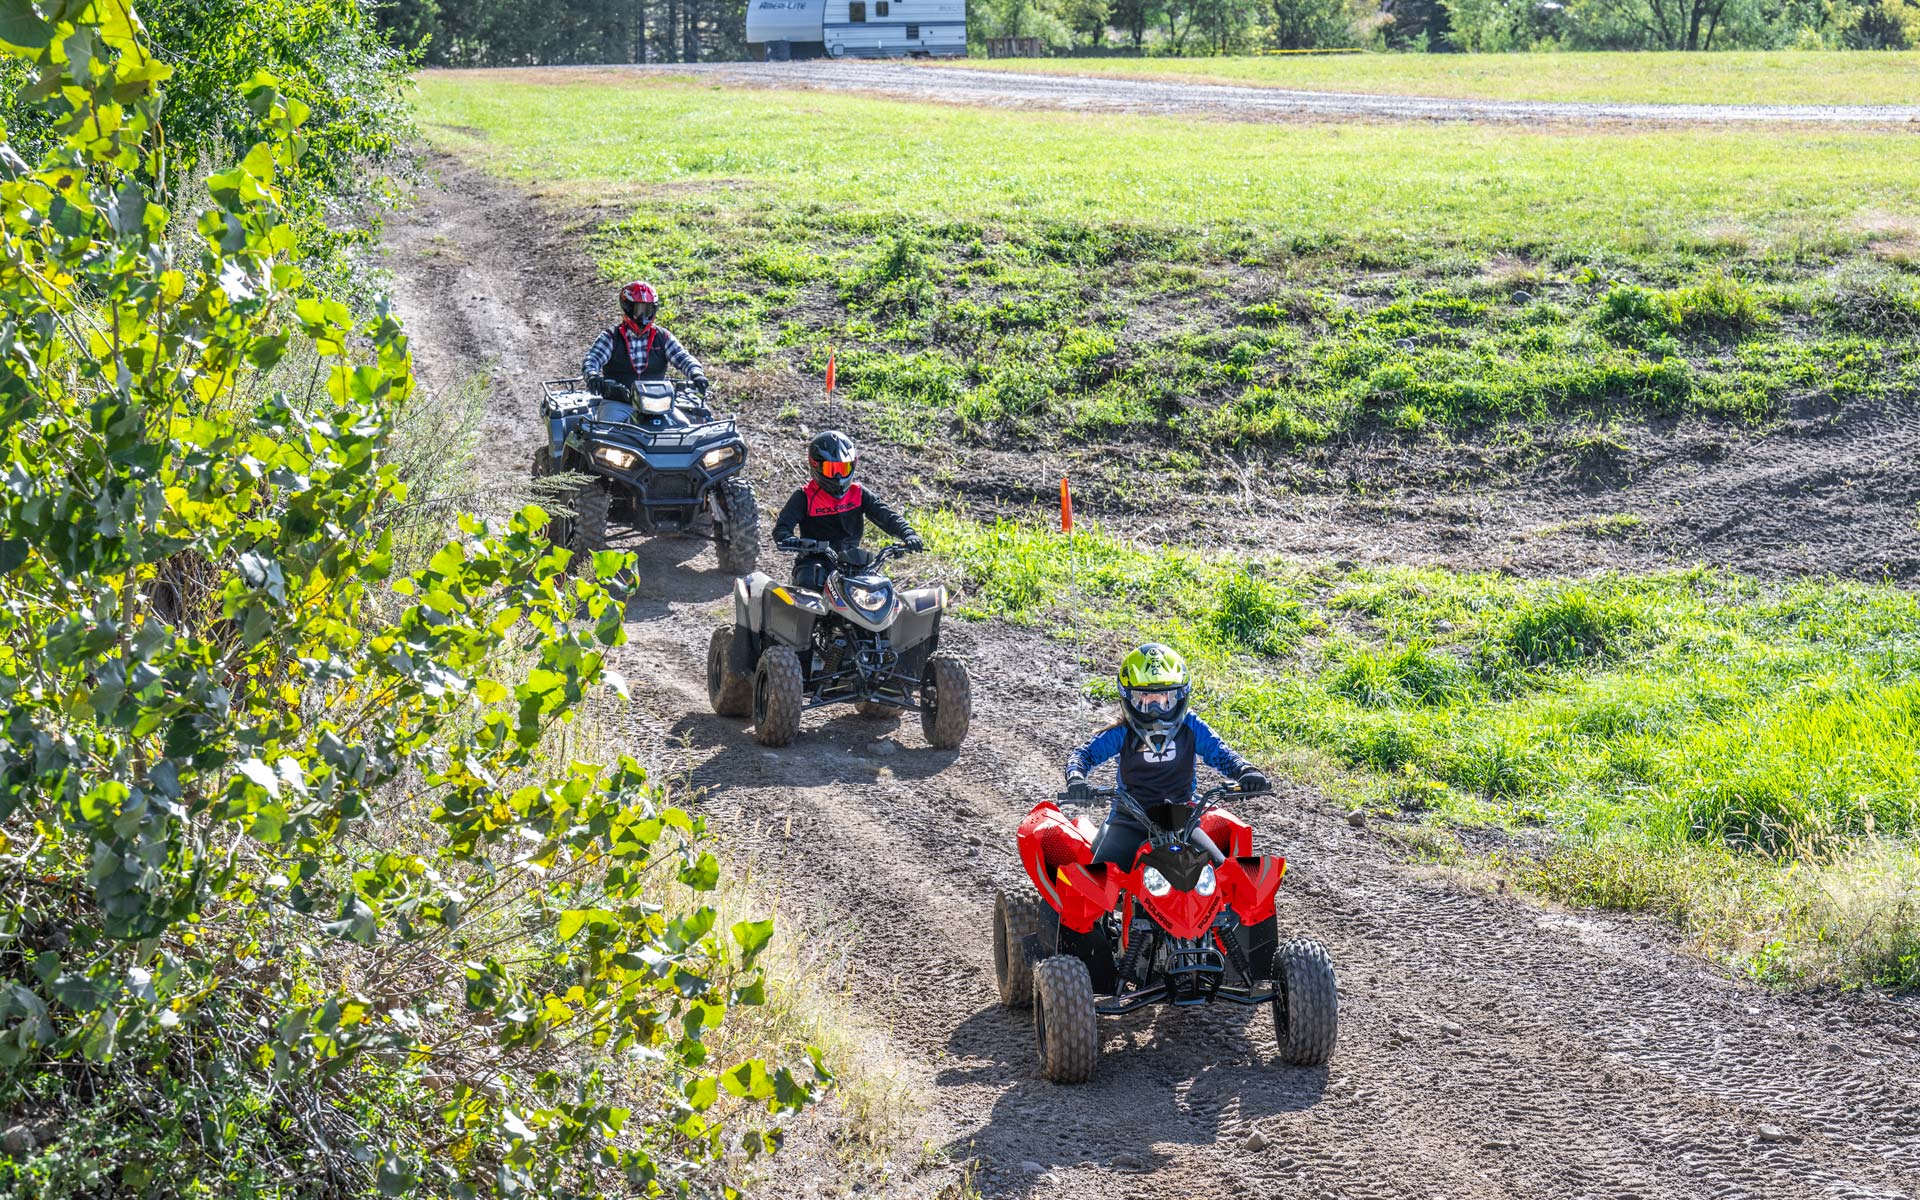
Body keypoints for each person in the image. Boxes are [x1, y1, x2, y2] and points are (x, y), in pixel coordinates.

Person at [1064, 643, 1269, 866]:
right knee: (1097, 880)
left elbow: (1221, 752)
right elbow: (1084, 755)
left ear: (1179, 697)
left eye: (1163, 697)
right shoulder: (1122, 732)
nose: (1155, 709)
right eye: (1145, 698)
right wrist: (1076, 779)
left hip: (1182, 822)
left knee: (1225, 874)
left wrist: (1245, 771)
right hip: (1129, 823)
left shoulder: (1191, 726)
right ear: (1129, 698)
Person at [772, 430, 923, 590]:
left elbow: (887, 516)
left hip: (853, 563)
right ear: (816, 466)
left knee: (880, 591)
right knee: (808, 585)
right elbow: (781, 529)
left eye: (843, 469)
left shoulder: (858, 493)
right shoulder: (804, 496)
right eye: (831, 470)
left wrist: (908, 534)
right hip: (814, 562)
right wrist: (790, 539)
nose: (838, 476)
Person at [582, 281, 708, 400]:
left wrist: (696, 374)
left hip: (657, 402)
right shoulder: (611, 337)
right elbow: (593, 359)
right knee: (609, 417)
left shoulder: (663, 337)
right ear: (628, 308)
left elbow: (683, 358)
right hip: (617, 401)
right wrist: (592, 375)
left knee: (688, 417)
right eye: (640, 310)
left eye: (648, 310)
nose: (644, 316)